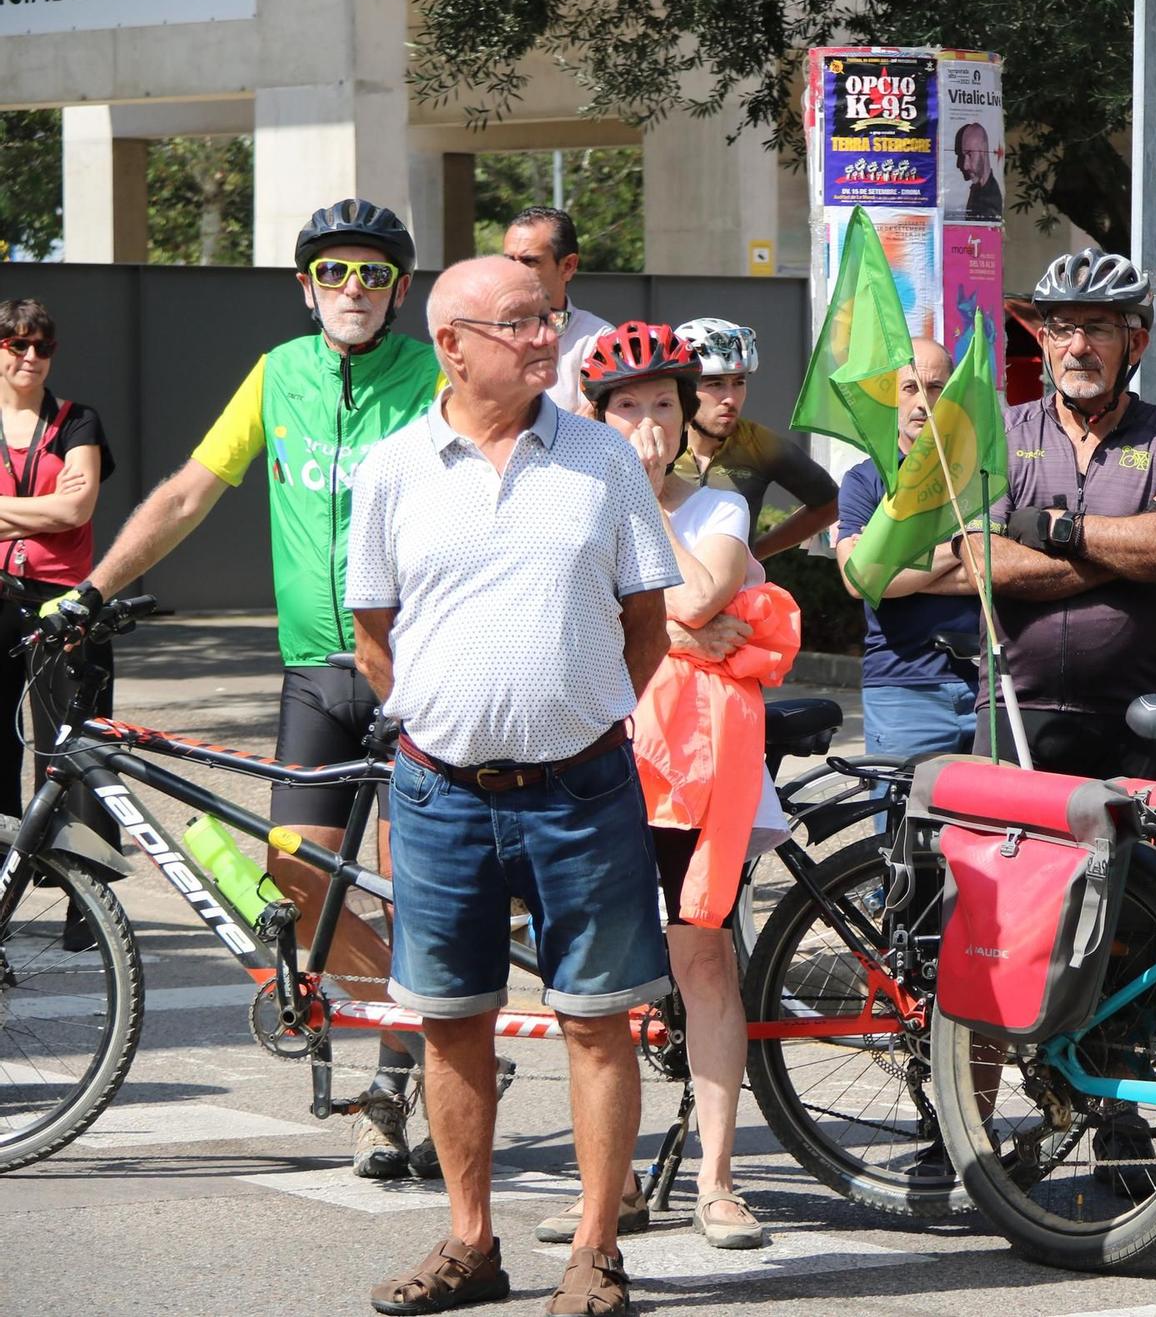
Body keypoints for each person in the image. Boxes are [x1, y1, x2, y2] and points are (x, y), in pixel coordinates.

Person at [75, 199, 440, 1179]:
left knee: (420, 897)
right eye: (334, 273)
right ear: (304, 286)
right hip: (317, 671)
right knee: (295, 873)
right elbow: (192, 489)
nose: (352, 290)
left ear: (399, 289)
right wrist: (91, 588)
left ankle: (395, 1098)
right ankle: (443, 1012)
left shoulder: (434, 376)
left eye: (371, 273)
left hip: (420, 669)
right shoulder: (279, 375)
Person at [347, 257, 678, 1317]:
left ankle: (594, 1251)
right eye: (520, 323)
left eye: (548, 320)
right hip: (439, 794)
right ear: (452, 343)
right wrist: (452, 724)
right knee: (450, 1021)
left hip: (583, 791)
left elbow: (646, 625)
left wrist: (572, 719)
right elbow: (371, 636)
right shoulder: (394, 467)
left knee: (595, 1019)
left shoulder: (601, 459)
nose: (545, 338)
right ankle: (470, 1242)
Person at [563, 319, 793, 1252]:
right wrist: (683, 637)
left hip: (698, 774)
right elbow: (564, 617)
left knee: (704, 963)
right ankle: (604, 1190)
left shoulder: (715, 508)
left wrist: (643, 502)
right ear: (596, 417)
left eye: (665, 404)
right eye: (628, 409)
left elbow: (697, 597)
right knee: (599, 981)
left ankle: (719, 1179)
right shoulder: (563, 507)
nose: (650, 424)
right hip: (600, 760)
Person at [955, 245, 1156, 780]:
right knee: (1006, 859)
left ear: (1135, 343)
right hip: (1013, 705)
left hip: (1134, 716)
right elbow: (987, 566)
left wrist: (1056, 530)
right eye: (1061, 328)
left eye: (1097, 328)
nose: (1077, 347)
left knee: (1136, 865)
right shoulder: (1001, 433)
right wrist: (1132, 548)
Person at [0, 299, 117, 847]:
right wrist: (43, 507)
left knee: (75, 747)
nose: (31, 356)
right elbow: (56, 507)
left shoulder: (78, 420)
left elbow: (75, 510)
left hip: (63, 600)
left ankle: (87, 908)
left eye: (42, 347)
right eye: (17, 344)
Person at [836, 338, 980, 759]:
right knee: (897, 824)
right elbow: (860, 579)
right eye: (910, 388)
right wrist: (962, 546)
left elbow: (1004, 570)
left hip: (990, 685)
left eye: (936, 387)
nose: (923, 402)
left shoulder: (984, 475)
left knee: (990, 822)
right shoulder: (865, 482)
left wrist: (897, 572)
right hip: (902, 688)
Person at [671, 317, 840, 560]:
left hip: (733, 594)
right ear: (683, 388)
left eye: (739, 382)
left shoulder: (759, 444)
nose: (730, 398)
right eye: (716, 383)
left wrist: (753, 554)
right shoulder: (655, 445)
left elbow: (830, 504)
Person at [501, 205, 612, 416]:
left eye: (529, 261)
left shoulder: (599, 342)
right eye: (508, 260)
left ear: (568, 266)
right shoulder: (481, 330)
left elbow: (591, 432)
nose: (513, 272)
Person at [953, 121, 1003, 221]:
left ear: (983, 150)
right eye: (964, 156)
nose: (965, 165)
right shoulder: (978, 189)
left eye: (970, 155)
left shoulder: (991, 198)